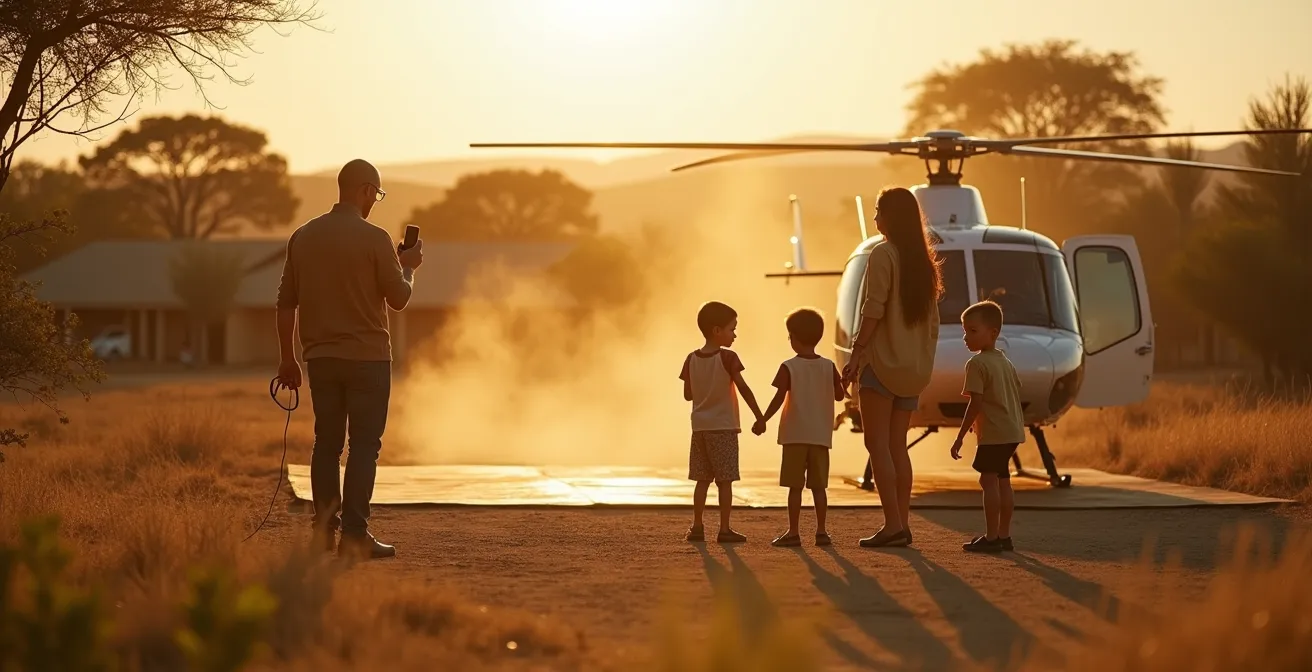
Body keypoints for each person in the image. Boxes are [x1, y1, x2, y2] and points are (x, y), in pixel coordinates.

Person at [274, 158, 424, 560]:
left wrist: (288, 360)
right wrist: (408, 268)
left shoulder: (303, 237)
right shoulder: (376, 239)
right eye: (376, 193)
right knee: (363, 448)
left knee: (326, 444)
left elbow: (285, 303)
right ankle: (355, 536)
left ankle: (323, 533)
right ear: (363, 190)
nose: (375, 200)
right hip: (369, 360)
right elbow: (398, 299)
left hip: (320, 359)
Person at [841, 186, 944, 548]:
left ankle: (893, 525)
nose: (874, 218)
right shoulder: (924, 263)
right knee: (898, 447)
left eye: (878, 210)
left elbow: (873, 309)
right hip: (912, 371)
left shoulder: (882, 254)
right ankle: (902, 523)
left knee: (877, 445)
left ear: (891, 217)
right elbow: (932, 325)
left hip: (881, 366)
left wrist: (856, 353)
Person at [753, 308, 847, 547]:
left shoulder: (788, 367)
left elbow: (778, 398)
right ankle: (821, 532)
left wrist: (763, 419)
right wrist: (843, 380)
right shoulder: (828, 367)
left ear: (793, 337)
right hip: (820, 437)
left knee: (794, 488)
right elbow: (839, 396)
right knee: (819, 488)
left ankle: (794, 532)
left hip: (794, 435)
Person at [679, 301, 764, 544]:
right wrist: (759, 415)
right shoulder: (728, 358)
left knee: (701, 480)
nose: (734, 334)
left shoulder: (691, 359)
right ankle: (724, 529)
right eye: (731, 329)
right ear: (717, 331)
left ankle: (697, 526)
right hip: (724, 428)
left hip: (700, 428)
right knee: (725, 481)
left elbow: (688, 394)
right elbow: (744, 389)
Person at [950, 300, 1024, 553]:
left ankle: (992, 537)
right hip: (1012, 431)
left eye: (972, 331)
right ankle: (1004, 535)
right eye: (964, 330)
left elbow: (975, 403)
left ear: (992, 333)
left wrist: (960, 435)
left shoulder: (977, 364)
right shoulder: (1005, 362)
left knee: (988, 481)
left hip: (994, 434)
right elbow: (1009, 395)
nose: (965, 337)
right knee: (1003, 481)